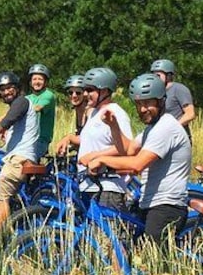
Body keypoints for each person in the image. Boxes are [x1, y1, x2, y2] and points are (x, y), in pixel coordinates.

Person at [88, 73, 192, 259]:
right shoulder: (152, 129)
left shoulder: (166, 127)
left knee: (159, 268)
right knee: (135, 256)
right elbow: (128, 150)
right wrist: (113, 126)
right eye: (138, 104)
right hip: (150, 202)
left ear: (161, 101)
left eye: (148, 103)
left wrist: (103, 160)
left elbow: (137, 164)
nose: (143, 109)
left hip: (166, 205)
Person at [68, 67, 133, 211]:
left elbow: (127, 149)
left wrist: (95, 156)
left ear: (104, 91)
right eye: (85, 89)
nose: (85, 94)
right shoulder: (93, 114)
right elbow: (89, 141)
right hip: (89, 184)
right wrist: (69, 139)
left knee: (103, 232)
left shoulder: (116, 113)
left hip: (107, 187)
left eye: (90, 90)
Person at [0, 71, 40, 231]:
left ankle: (0, 242)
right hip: (20, 157)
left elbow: (8, 120)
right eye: (2, 89)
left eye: (10, 88)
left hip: (19, 159)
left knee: (1, 197)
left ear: (17, 88)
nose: (7, 92)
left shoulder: (22, 101)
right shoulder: (20, 105)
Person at [149, 59, 196, 139]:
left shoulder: (179, 89)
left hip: (177, 137)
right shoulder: (156, 92)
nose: (155, 78)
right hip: (160, 137)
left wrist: (173, 128)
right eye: (153, 75)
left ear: (168, 76)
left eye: (158, 75)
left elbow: (190, 114)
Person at [27, 64, 56, 158]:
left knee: (21, 162)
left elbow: (37, 108)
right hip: (27, 139)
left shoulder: (48, 95)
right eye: (34, 79)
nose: (37, 82)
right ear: (30, 82)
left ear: (46, 82)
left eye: (40, 79)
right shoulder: (28, 98)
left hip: (40, 140)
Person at [54, 74, 89, 152]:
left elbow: (90, 140)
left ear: (85, 94)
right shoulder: (76, 112)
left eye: (78, 93)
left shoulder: (90, 112)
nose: (74, 95)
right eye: (70, 92)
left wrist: (69, 138)